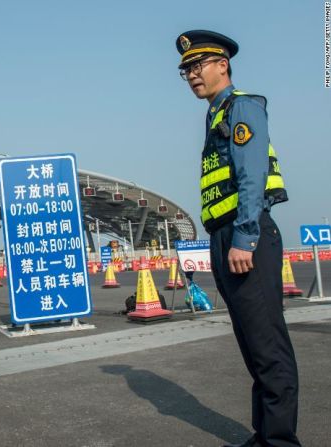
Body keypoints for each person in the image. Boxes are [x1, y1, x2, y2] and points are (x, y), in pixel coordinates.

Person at [176, 30, 300, 447]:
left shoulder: (241, 106)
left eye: (197, 65)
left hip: (247, 234)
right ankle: (264, 434)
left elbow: (251, 178)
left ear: (222, 65)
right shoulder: (214, 114)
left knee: (267, 345)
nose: (191, 74)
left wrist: (245, 238)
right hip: (223, 234)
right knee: (252, 346)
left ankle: (281, 441)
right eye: (186, 70)